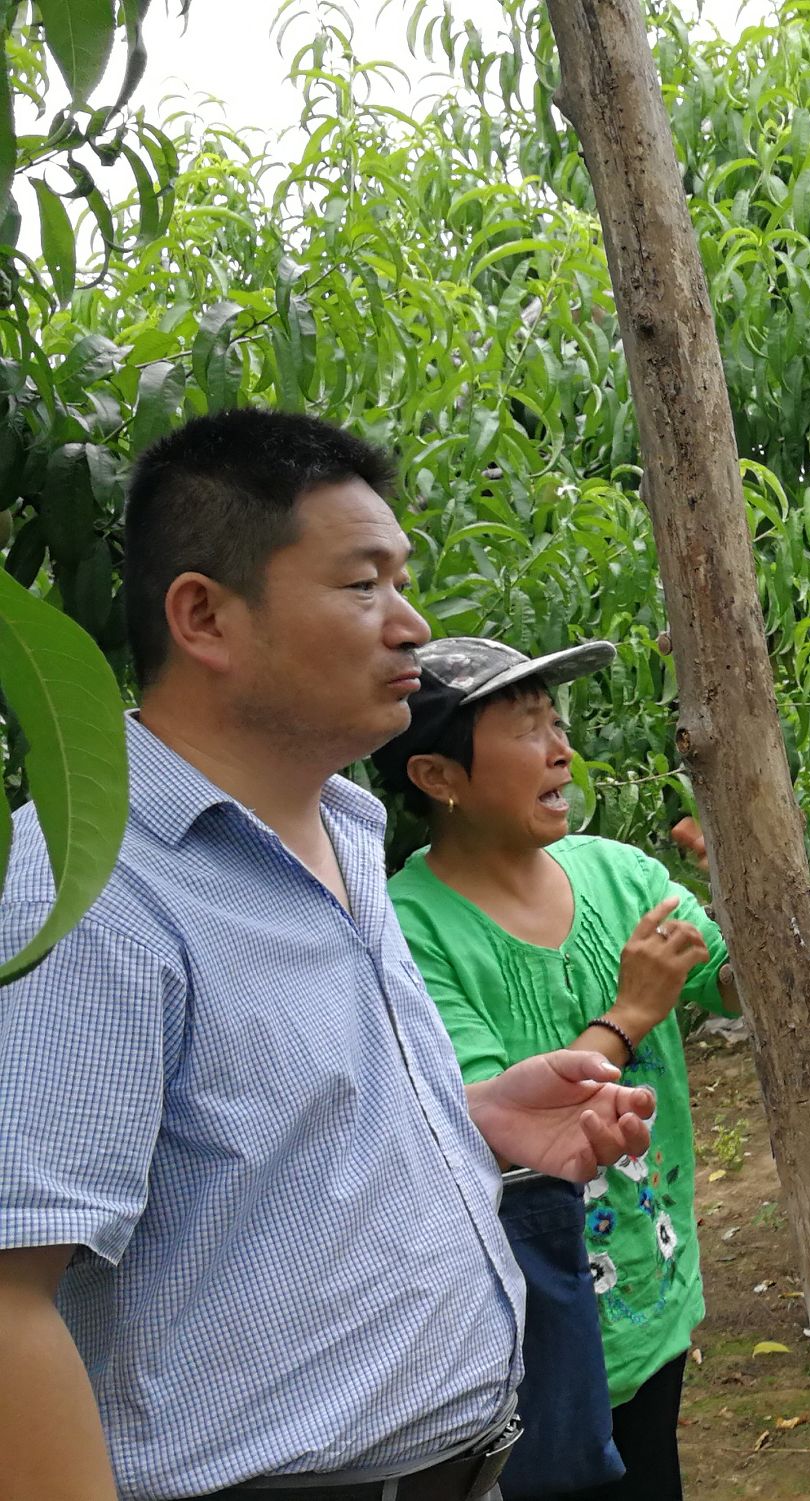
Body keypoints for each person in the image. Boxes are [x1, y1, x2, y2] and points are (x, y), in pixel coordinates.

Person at [0, 410, 657, 1501]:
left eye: (402, 581)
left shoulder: (342, 825)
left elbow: (255, 1144)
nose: (411, 625)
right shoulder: (95, 892)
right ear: (204, 615)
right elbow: (11, 1292)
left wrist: (473, 1117)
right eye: (363, 586)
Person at [371, 636, 736, 1501]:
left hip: (653, 1294)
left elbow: (733, 983)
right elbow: (487, 1137)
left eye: (555, 720)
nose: (560, 748)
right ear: (437, 777)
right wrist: (630, 1014)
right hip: (526, 1332)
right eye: (525, 727)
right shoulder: (408, 932)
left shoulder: (619, 875)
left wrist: (753, 882)